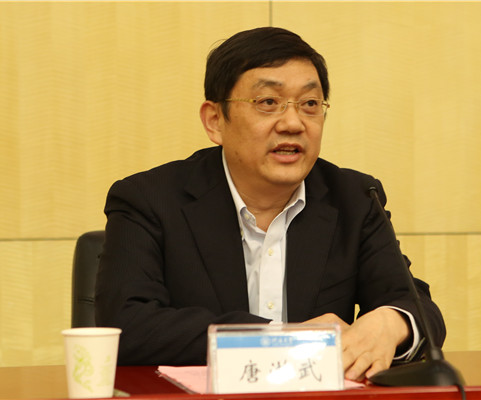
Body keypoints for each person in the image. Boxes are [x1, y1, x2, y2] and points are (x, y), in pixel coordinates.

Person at [95, 27, 446, 381]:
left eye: (310, 104)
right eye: (267, 102)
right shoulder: (149, 199)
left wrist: (392, 322)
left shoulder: (354, 198)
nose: (293, 123)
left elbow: (416, 305)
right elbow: (127, 326)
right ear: (215, 121)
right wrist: (281, 338)